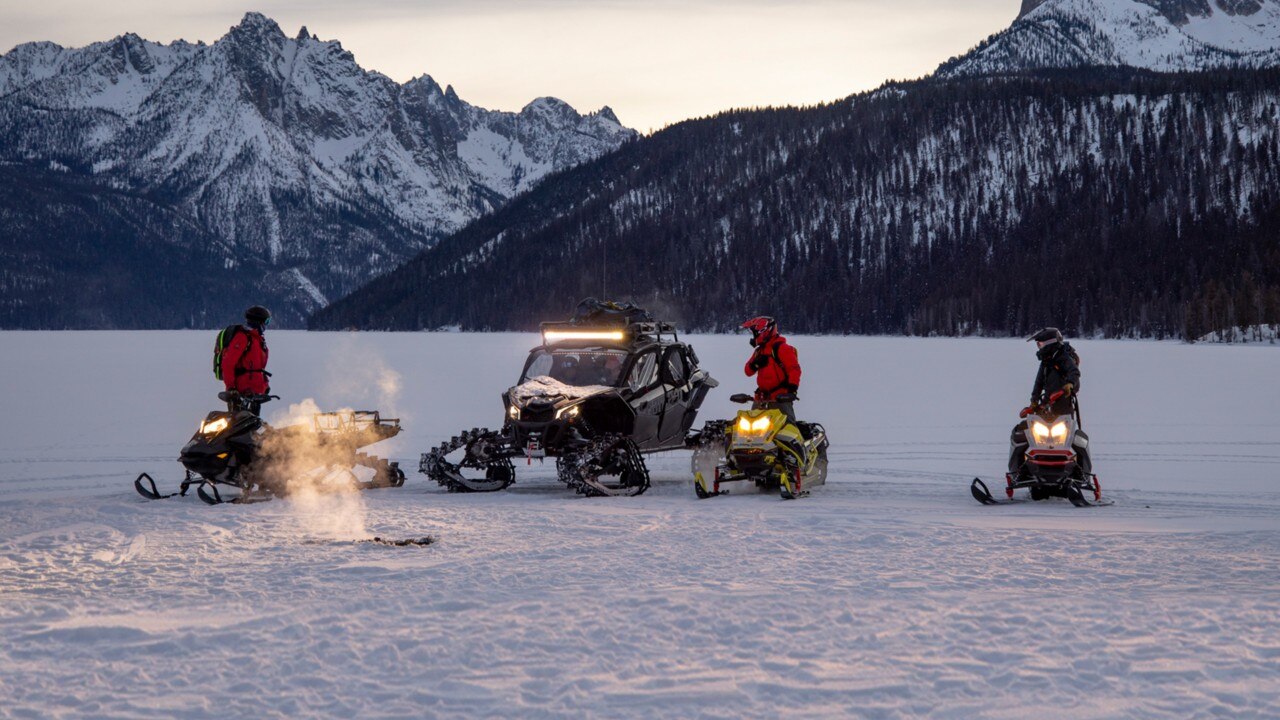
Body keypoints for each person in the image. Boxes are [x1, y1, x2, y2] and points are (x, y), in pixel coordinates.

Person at [1009, 327, 1087, 475]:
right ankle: (1021, 470)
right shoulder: (1046, 361)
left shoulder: (1063, 357)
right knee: (1025, 432)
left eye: (1041, 344)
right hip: (1046, 406)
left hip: (1063, 405)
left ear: (1050, 343)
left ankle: (1078, 472)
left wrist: (1069, 384)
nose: (1039, 348)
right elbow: (1038, 383)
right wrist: (1033, 402)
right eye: (1038, 345)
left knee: (1066, 439)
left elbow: (1074, 372)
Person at [741, 316, 802, 424]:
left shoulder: (782, 348)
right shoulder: (759, 351)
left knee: (787, 429)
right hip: (760, 400)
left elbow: (794, 369)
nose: (754, 336)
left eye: (755, 333)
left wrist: (792, 390)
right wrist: (755, 364)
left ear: (764, 331)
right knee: (750, 432)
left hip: (780, 400)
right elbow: (747, 371)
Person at [221, 306, 272, 414]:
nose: (267, 325)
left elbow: (258, 368)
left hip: (255, 394)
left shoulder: (258, 340)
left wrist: (265, 385)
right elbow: (228, 363)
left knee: (253, 426)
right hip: (240, 395)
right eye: (267, 321)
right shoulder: (243, 337)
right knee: (239, 426)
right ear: (259, 321)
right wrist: (231, 388)